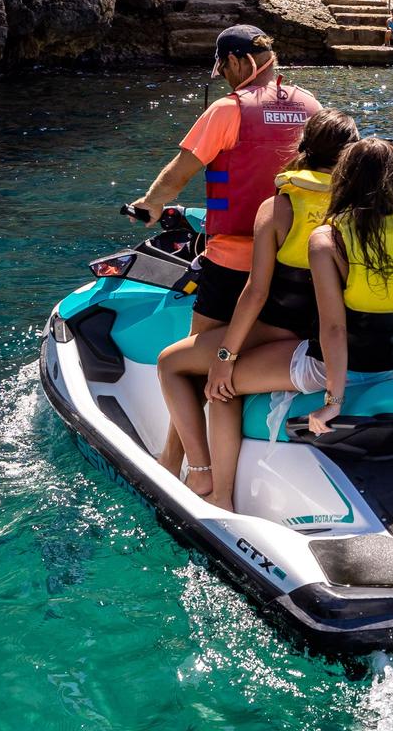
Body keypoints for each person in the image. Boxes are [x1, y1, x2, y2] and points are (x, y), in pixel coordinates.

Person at [205, 139, 393, 470]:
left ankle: (217, 489)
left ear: (344, 179)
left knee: (221, 387)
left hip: (333, 372)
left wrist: (333, 402)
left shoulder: (327, 239)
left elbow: (334, 328)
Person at [128, 26, 319, 468]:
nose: (225, 77)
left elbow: (179, 173)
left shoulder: (227, 110)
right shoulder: (311, 106)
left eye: (223, 67)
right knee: (230, 351)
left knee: (193, 355)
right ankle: (197, 454)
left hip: (233, 261)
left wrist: (149, 205)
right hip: (293, 262)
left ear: (236, 62)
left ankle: (181, 460)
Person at [157, 109, 359, 508]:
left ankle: (200, 475)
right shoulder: (358, 209)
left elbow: (256, 292)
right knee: (224, 385)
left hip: (283, 332)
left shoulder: (280, 207)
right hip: (330, 339)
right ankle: (216, 493)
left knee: (172, 364)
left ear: (304, 148)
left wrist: (225, 356)